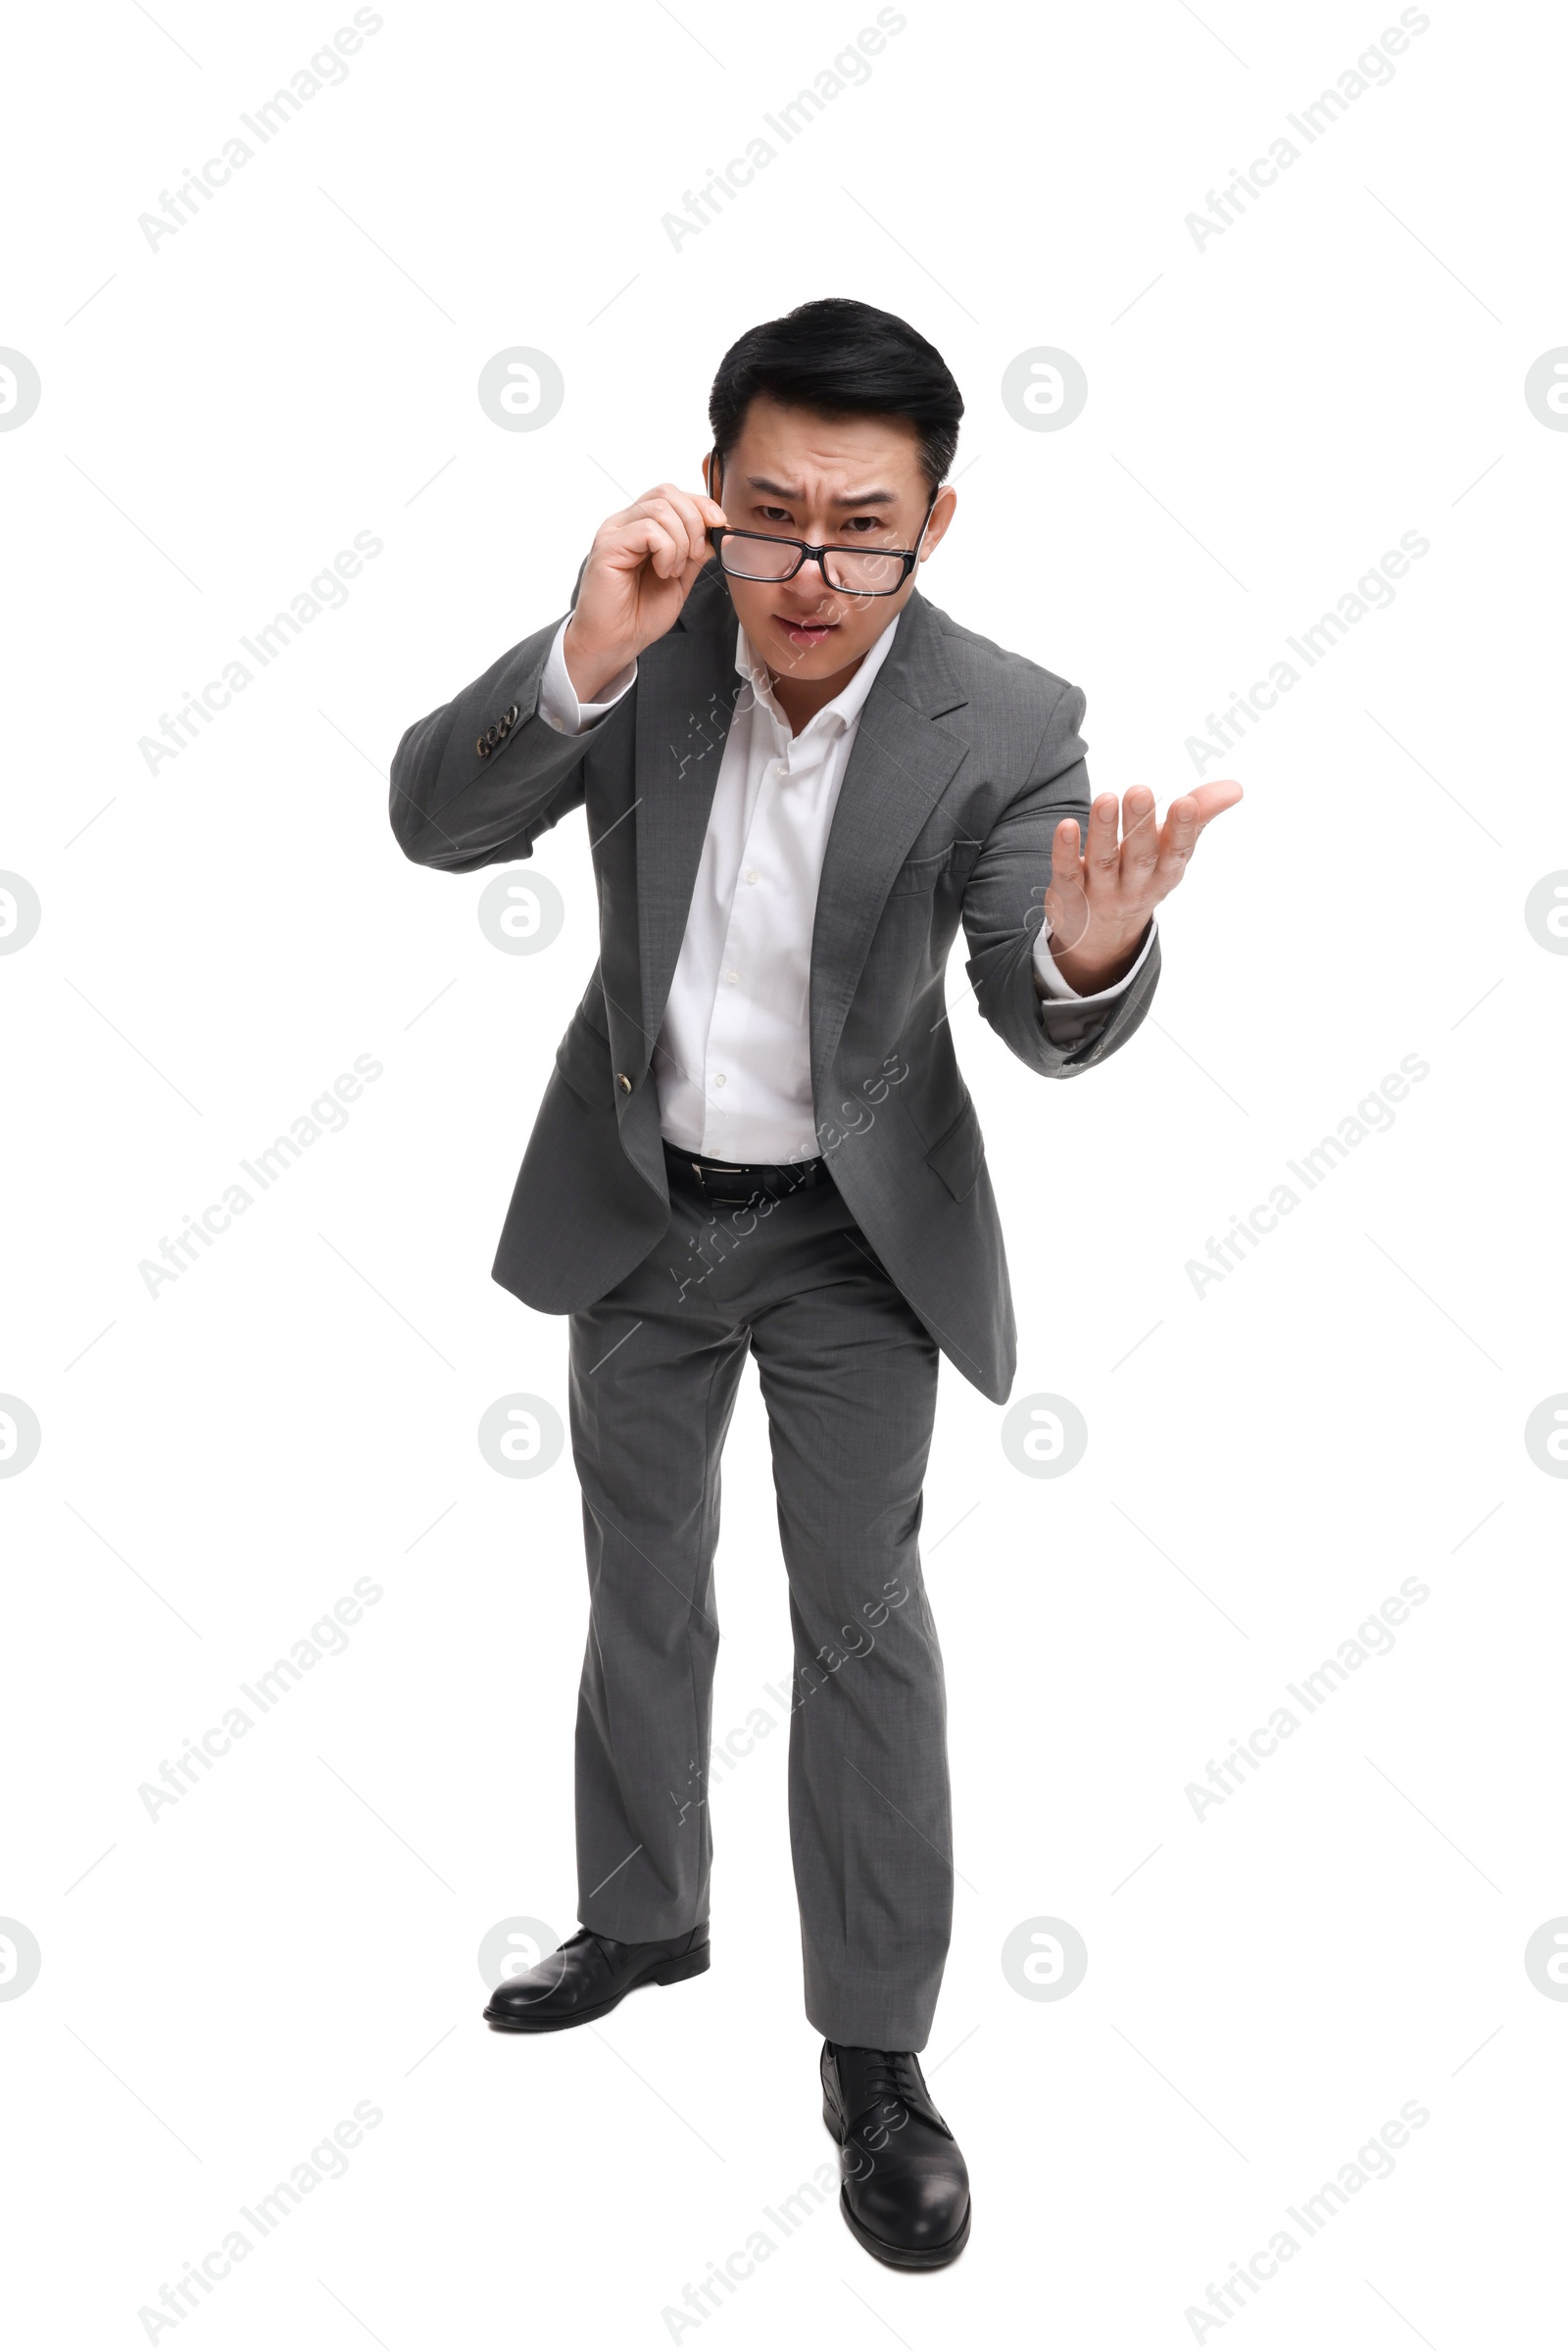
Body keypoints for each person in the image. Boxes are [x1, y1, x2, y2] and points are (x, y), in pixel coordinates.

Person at [389, 296, 1239, 2270]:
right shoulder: (657, 645)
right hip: (638, 1206)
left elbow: (1040, 1007)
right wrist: (585, 651)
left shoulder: (1006, 722)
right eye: (767, 515)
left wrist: (1094, 956)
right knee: (635, 1577)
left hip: (852, 1244)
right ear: (707, 500)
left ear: (934, 524)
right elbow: (438, 820)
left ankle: (874, 2057)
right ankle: (643, 1912)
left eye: (859, 523)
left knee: (858, 1626)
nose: (808, 567)